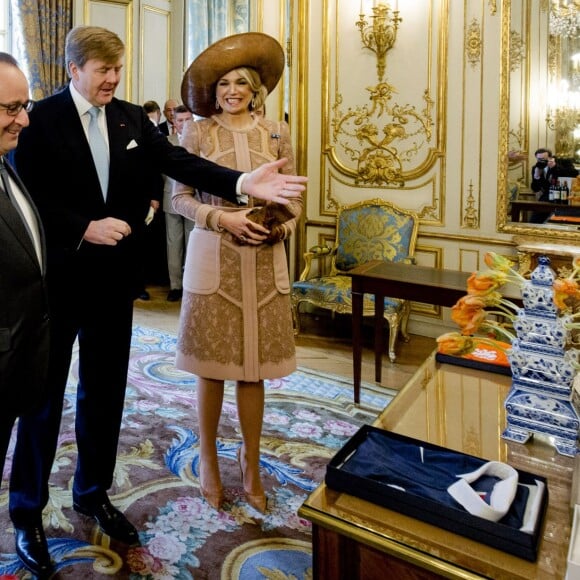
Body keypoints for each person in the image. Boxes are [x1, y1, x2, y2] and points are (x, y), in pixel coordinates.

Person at [9, 25, 306, 576]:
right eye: (103, 70)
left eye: (118, 69)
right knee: (43, 402)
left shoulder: (130, 118)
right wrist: (83, 228)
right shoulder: (39, 119)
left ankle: (92, 493)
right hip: (58, 286)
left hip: (114, 285)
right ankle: (27, 512)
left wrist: (244, 181)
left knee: (105, 395)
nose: (113, 79)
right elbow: (28, 199)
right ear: (74, 70)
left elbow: (180, 165)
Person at [172, 32, 303, 514]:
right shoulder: (197, 133)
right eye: (223, 83)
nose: (232, 90)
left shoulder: (276, 133)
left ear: (255, 87)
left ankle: (251, 462)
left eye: (240, 82)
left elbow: (293, 196)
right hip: (215, 257)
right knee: (211, 368)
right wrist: (221, 217)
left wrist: (280, 229)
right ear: (214, 91)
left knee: (254, 371)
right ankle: (208, 459)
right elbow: (179, 198)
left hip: (265, 263)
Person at [0, 53, 51, 577]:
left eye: (26, 104)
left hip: (20, 357)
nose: (25, 118)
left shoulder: (6, 162)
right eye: (11, 107)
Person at [164, 105, 194, 302]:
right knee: (174, 243)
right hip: (170, 197)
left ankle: (191, 284)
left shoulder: (199, 141)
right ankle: (175, 286)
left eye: (188, 119)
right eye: (181, 120)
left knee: (193, 244)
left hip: (194, 200)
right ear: (174, 123)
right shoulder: (166, 142)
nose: (185, 124)